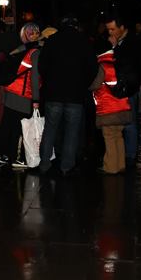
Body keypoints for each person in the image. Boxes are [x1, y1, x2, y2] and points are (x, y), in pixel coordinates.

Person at [37, 16, 98, 176]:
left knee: (50, 129)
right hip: (75, 95)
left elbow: (41, 66)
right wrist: (83, 83)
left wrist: (50, 81)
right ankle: (67, 166)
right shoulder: (84, 42)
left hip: (53, 94)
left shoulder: (52, 41)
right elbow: (93, 67)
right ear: (76, 26)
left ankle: (44, 163)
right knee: (72, 131)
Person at [0, 22, 41, 169]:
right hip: (24, 94)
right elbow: (35, 78)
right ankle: (17, 157)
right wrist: (36, 99)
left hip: (11, 89)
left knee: (7, 124)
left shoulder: (18, 49)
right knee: (20, 128)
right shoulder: (34, 53)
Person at [104, 15, 141, 166]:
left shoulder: (131, 42)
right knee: (123, 122)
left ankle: (130, 155)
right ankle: (126, 155)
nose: (110, 32)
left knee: (129, 122)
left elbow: (123, 64)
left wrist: (114, 48)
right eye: (108, 29)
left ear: (122, 27)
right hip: (123, 87)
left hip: (128, 88)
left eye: (113, 29)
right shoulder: (122, 42)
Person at [91, 48, 133, 174]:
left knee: (109, 137)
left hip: (108, 107)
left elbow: (94, 85)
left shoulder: (102, 66)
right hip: (122, 105)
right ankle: (120, 164)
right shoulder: (120, 64)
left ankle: (110, 167)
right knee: (118, 136)